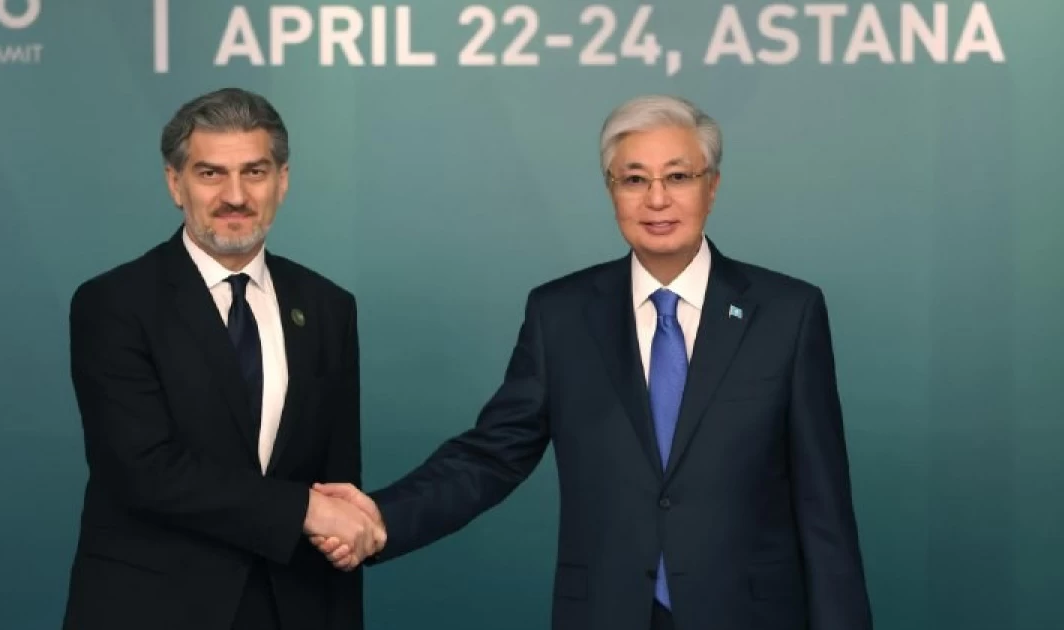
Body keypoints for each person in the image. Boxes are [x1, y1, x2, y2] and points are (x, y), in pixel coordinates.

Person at [312, 95, 872, 630]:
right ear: (611, 190)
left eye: (678, 176)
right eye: (634, 180)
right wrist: (382, 518)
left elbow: (824, 507)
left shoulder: (786, 313)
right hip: (607, 613)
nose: (657, 199)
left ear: (712, 187)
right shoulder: (561, 315)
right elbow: (492, 455)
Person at [62, 87, 383, 630]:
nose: (235, 195)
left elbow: (337, 481)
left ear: (282, 180)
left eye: (254, 172)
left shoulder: (328, 307)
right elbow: (142, 470)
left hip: (294, 606)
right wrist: (306, 511)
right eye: (211, 173)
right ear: (175, 183)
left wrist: (344, 536)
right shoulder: (114, 303)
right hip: (152, 610)